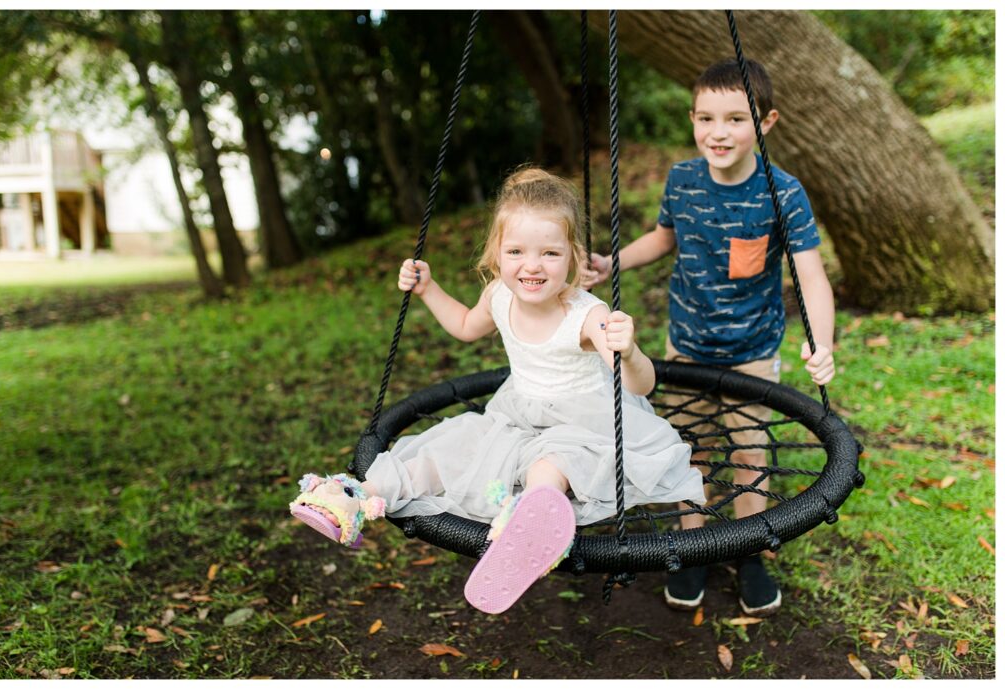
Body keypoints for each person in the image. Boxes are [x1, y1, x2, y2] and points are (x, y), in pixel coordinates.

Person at [290, 167, 706, 615]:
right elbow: (466, 327)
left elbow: (642, 384)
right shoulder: (498, 296)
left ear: (573, 257)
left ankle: (531, 519)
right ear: (496, 254)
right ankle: (354, 496)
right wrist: (428, 290)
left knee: (553, 462)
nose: (532, 265)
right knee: (448, 451)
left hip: (584, 421)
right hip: (516, 414)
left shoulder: (586, 314)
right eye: (516, 251)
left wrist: (630, 352)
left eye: (550, 253)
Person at [581, 59, 836, 617]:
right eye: (706, 118)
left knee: (748, 453)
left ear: (765, 123)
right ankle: (690, 546)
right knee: (687, 449)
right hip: (687, 346)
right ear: (693, 119)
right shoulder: (683, 179)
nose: (718, 132)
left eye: (735, 119)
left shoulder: (782, 193)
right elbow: (662, 237)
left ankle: (747, 552)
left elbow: (811, 275)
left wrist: (822, 341)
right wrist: (610, 262)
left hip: (752, 352)